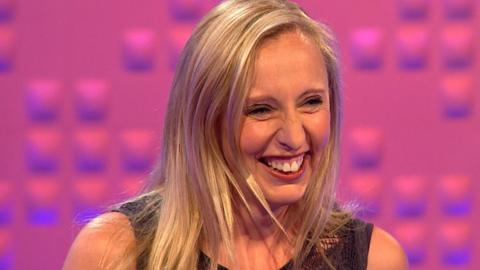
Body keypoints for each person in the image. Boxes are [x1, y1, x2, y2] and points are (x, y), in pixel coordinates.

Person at [63, 0, 408, 269]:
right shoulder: (114, 255)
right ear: (204, 120)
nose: (293, 135)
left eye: (311, 102)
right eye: (260, 109)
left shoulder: (374, 260)